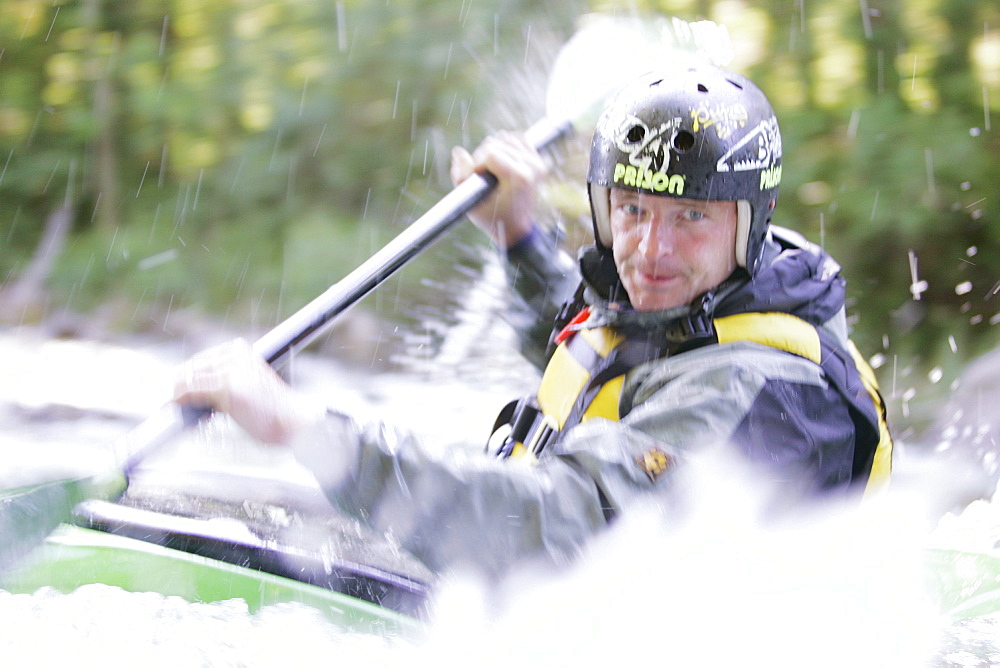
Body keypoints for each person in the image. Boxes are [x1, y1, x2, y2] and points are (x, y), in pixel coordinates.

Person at [174, 64, 892, 579]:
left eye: (691, 217)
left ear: (749, 225)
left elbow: (559, 526)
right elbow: (591, 341)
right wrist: (515, 233)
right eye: (632, 209)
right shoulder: (696, 305)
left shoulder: (766, 400)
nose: (650, 247)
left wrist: (305, 430)